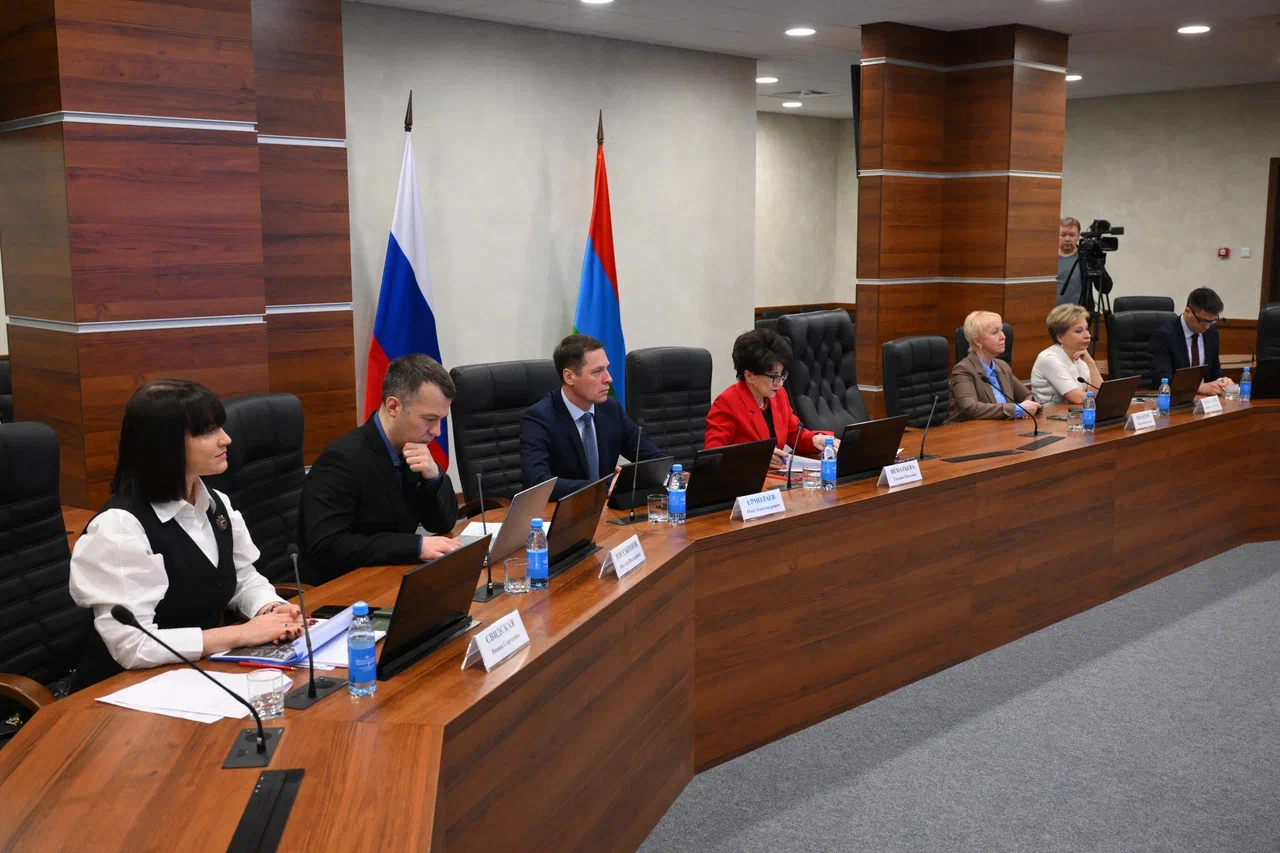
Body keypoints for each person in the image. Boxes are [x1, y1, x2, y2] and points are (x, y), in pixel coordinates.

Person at [68, 380, 303, 691]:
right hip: (120, 692)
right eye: (208, 431)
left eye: (220, 427)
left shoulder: (217, 503)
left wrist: (271, 610)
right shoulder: (119, 528)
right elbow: (133, 645)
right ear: (165, 445)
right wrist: (242, 634)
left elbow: (243, 578)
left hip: (196, 674)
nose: (226, 439)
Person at [300, 354, 460, 584]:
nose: (437, 432)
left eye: (441, 420)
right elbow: (327, 547)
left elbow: (441, 524)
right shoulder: (341, 459)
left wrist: (433, 477)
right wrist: (415, 546)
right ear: (394, 406)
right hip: (346, 585)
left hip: (391, 573)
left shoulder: (412, 447)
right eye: (429, 419)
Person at [520, 334, 664, 502]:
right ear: (569, 377)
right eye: (597, 371)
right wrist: (604, 485)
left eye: (607, 369)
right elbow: (538, 483)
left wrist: (626, 480)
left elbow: (655, 459)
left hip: (607, 511)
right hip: (561, 511)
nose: (608, 378)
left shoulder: (611, 409)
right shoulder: (539, 419)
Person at [704, 328, 835, 466]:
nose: (780, 383)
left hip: (776, 475)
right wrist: (756, 456)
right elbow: (713, 457)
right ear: (749, 375)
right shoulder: (727, 403)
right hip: (745, 477)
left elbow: (794, 434)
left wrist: (816, 440)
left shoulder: (778, 395)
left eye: (782, 375)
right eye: (774, 377)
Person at [947, 311, 1041, 422]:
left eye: (1002, 330)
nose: (1003, 336)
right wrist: (1018, 409)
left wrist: (1030, 406)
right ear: (978, 341)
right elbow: (972, 408)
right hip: (968, 431)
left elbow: (1030, 395)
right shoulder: (963, 370)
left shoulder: (1002, 366)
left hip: (1003, 428)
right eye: (995, 332)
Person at [1147, 287, 1228, 396]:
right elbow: (1163, 380)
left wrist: (1221, 381)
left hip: (1205, 400)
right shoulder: (1164, 336)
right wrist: (1199, 387)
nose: (1208, 326)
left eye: (1212, 321)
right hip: (1173, 400)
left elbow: (1215, 369)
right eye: (1203, 321)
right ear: (1187, 312)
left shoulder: (1211, 332)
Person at [1031, 303, 1105, 405]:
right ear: (1060, 337)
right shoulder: (1049, 359)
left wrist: (1090, 363)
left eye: (1086, 329)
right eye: (1079, 331)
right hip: (1049, 414)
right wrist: (1096, 395)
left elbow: (1101, 393)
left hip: (1075, 412)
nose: (1088, 335)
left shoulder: (1081, 355)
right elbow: (1078, 398)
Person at [1056, 216, 1113, 310]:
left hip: (1081, 314)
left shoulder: (1086, 257)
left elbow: (1106, 288)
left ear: (1078, 236)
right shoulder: (1048, 258)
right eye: (1063, 235)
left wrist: (1096, 262)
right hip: (1052, 314)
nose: (1067, 239)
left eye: (1071, 235)